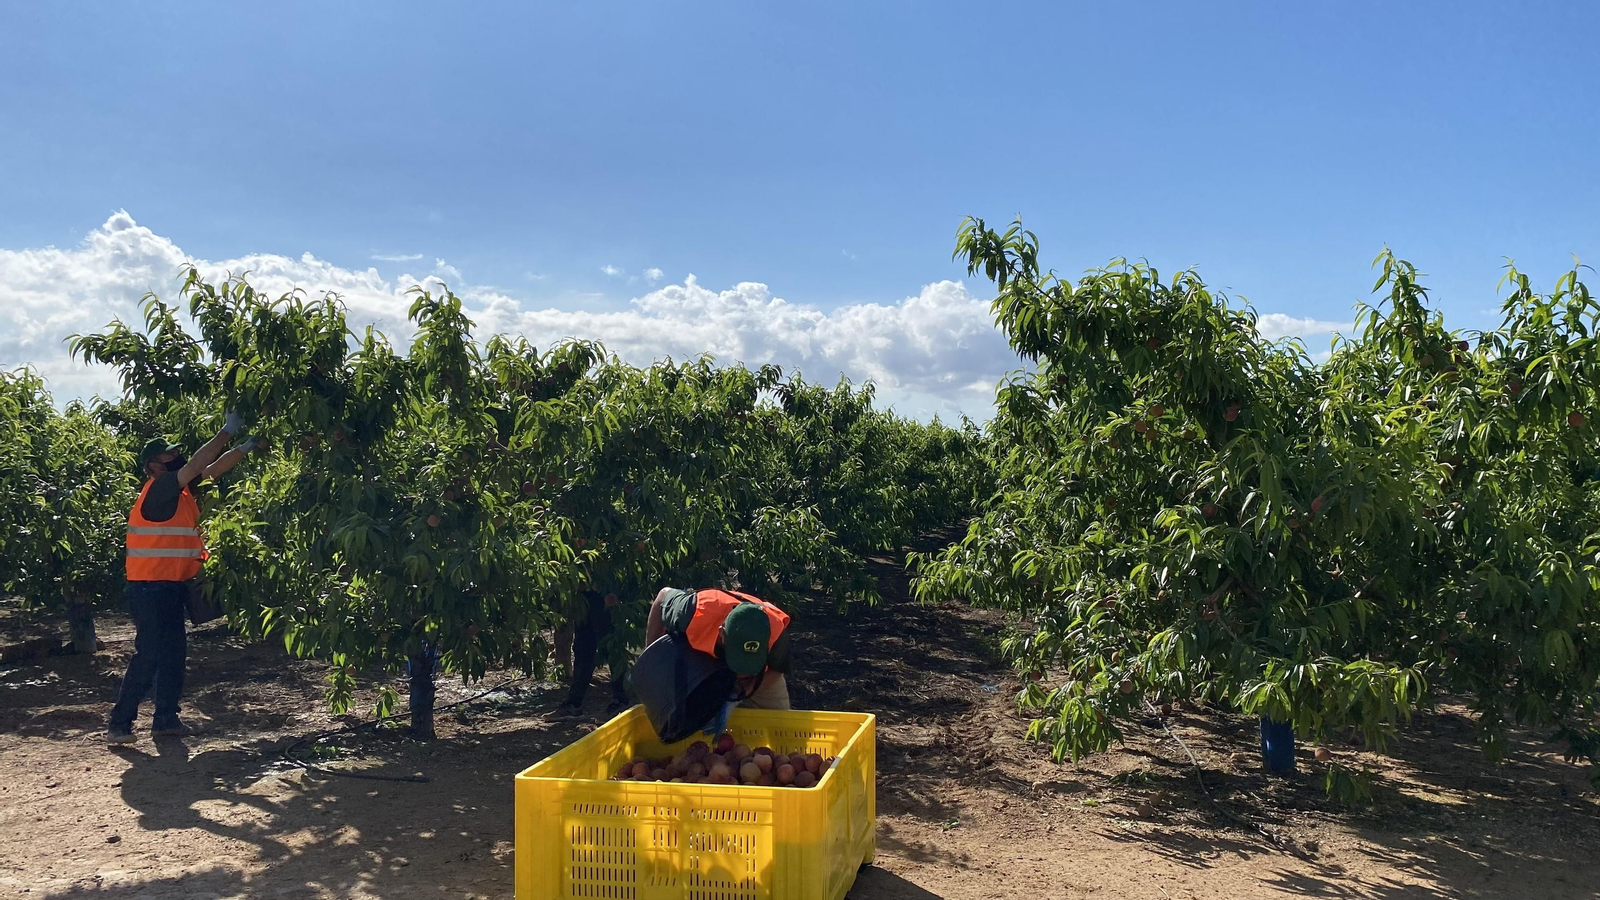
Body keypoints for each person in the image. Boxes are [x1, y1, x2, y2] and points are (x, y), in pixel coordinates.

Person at [106, 412, 255, 746]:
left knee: (173, 653)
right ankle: (119, 722)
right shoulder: (160, 489)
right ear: (153, 466)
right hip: (150, 589)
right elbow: (200, 461)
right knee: (150, 654)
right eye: (168, 456)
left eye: (176, 454)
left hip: (170, 587)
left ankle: (165, 720)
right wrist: (228, 430)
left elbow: (214, 469)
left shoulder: (182, 492)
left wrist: (245, 447)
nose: (177, 458)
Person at [644, 587, 793, 711]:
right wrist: (650, 659)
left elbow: (775, 671)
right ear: (722, 633)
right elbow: (663, 596)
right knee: (690, 717)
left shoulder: (776, 633)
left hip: (760, 677)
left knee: (779, 720)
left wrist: (742, 692)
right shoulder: (693, 612)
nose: (740, 674)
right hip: (703, 665)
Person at [553, 588, 631, 718]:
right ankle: (573, 704)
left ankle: (621, 700)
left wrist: (613, 590)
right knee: (582, 647)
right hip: (583, 597)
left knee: (611, 645)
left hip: (602, 592)